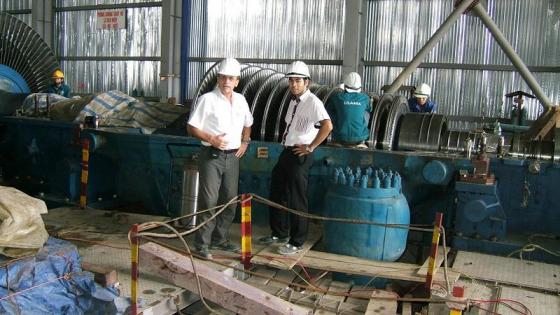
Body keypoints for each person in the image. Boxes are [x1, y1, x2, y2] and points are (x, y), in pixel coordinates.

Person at [259, 61, 333, 255]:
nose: (293, 84)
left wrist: (311, 147)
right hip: (287, 151)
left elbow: (327, 126)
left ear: (307, 82)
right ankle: (279, 233)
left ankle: (297, 241)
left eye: (298, 81)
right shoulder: (292, 101)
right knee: (277, 192)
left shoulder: (313, 102)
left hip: (300, 155)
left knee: (297, 198)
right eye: (291, 80)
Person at [186, 58, 253, 260]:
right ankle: (202, 244)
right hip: (211, 156)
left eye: (231, 78)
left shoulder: (241, 100)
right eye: (223, 77)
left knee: (230, 200)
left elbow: (248, 122)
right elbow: (191, 127)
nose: (226, 81)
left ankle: (220, 239)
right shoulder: (207, 99)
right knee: (209, 201)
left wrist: (245, 142)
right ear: (218, 78)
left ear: (237, 81)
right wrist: (211, 139)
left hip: (233, 157)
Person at [326, 72, 371, 147]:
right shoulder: (365, 98)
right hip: (360, 137)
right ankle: (360, 139)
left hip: (339, 137)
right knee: (366, 112)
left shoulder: (337, 97)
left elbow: (326, 113)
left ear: (345, 85)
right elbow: (370, 111)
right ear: (360, 86)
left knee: (331, 111)